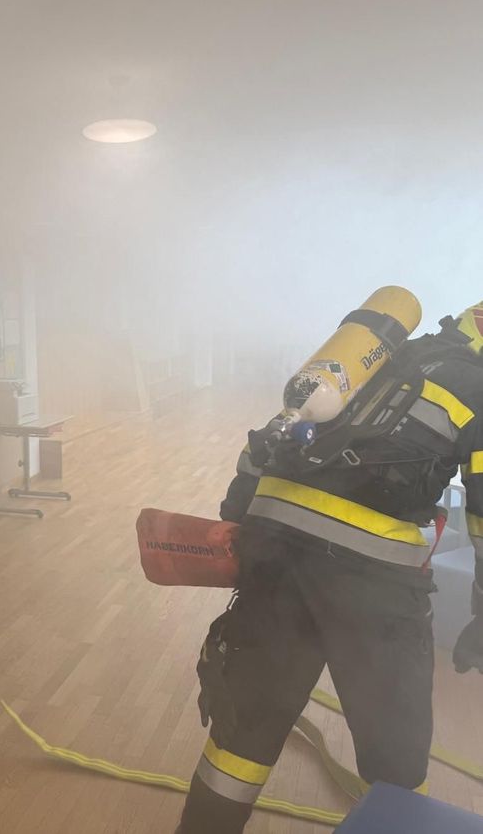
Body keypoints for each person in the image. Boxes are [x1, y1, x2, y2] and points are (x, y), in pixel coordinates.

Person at [177, 304, 483, 833]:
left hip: (274, 558)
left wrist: (241, 520)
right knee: (396, 761)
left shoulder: (371, 359)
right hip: (373, 587)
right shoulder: (475, 386)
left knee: (243, 733)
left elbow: (269, 439)